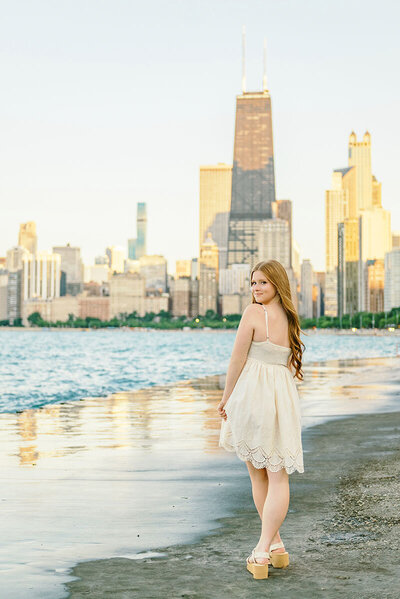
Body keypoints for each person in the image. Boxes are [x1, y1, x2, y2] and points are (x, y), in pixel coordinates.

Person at [218, 259, 305, 580]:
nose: (255, 288)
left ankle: (261, 550)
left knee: (263, 477)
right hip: (282, 396)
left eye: (263, 283)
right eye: (253, 283)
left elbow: (237, 358)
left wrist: (226, 397)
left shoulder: (254, 314)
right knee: (277, 475)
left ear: (276, 284)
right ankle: (277, 546)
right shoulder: (290, 317)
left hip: (254, 395)